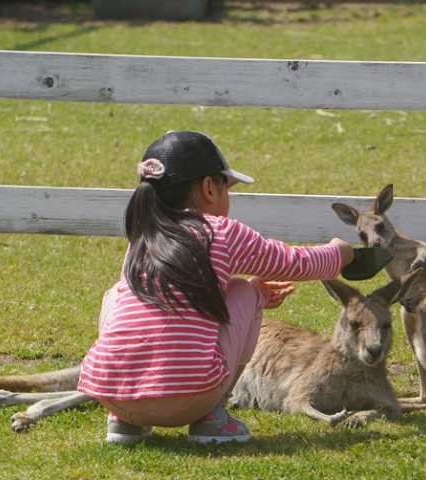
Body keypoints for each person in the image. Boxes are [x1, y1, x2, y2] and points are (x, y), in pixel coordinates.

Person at [77, 131, 354, 444]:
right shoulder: (220, 230)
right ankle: (213, 418)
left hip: (115, 396)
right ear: (209, 188)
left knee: (117, 294)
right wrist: (339, 253)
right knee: (244, 291)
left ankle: (125, 425)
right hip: (190, 398)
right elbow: (293, 263)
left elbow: (178, 302)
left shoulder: (141, 239)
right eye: (227, 187)